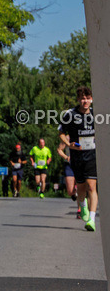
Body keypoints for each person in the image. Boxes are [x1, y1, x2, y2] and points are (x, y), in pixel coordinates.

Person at [60, 86, 98, 232]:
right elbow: (61, 133)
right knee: (81, 187)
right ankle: (82, 206)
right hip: (77, 156)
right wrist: (69, 144)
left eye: (88, 98)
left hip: (92, 156)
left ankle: (92, 219)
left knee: (92, 187)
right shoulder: (70, 115)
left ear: (92, 99)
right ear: (78, 99)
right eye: (83, 98)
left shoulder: (96, 114)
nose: (85, 101)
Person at [58, 140, 82, 216]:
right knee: (70, 191)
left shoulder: (82, 135)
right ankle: (74, 193)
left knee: (80, 188)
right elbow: (59, 150)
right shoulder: (67, 138)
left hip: (81, 164)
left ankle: (80, 209)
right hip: (69, 165)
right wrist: (66, 157)